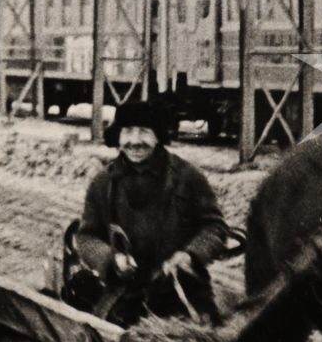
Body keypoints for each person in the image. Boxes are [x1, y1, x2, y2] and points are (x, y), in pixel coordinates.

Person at [70, 100, 229, 324]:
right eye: (127, 132)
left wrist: (190, 256)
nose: (135, 141)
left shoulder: (187, 177)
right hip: (123, 294)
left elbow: (216, 228)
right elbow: (86, 236)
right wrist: (110, 260)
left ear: (158, 137)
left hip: (180, 293)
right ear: (118, 136)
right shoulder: (103, 183)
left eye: (144, 131)